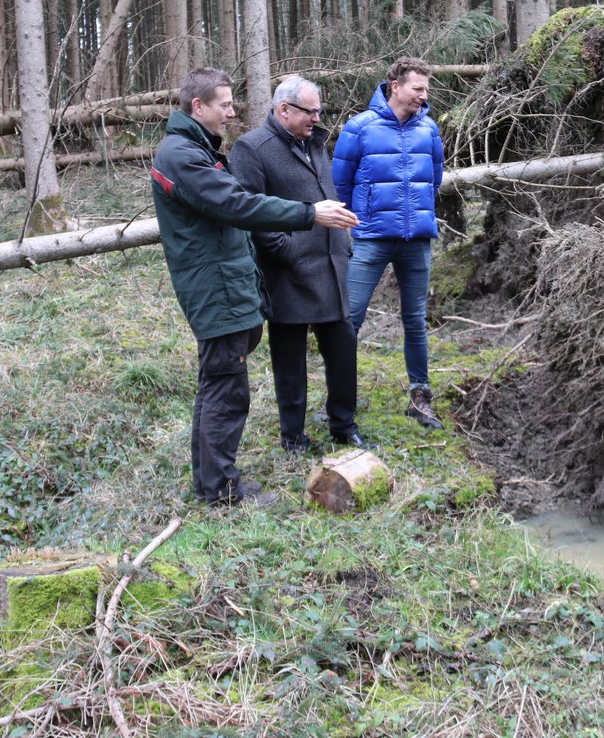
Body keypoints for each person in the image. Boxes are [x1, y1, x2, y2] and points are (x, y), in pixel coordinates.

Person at [150, 68, 358, 507]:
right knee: (226, 392)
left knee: (218, 388)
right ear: (198, 107)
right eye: (224, 104)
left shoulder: (194, 150)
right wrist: (308, 214)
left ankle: (212, 485)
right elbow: (236, 203)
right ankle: (223, 493)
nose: (231, 112)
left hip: (225, 286)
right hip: (216, 289)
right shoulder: (183, 156)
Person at [230, 76, 369, 453]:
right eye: (311, 111)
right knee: (289, 363)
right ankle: (293, 437)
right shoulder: (251, 149)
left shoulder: (317, 144)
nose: (317, 117)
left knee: (343, 349)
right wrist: (289, 251)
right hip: (287, 275)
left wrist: (342, 243)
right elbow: (251, 213)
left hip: (332, 268)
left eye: (320, 110)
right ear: (283, 109)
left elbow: (326, 196)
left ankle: (344, 425)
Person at [331, 57, 445, 431]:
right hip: (371, 239)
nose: (423, 96)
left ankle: (420, 398)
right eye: (418, 89)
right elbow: (340, 185)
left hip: (416, 242)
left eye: (426, 89)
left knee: (415, 321)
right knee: (350, 320)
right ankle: (338, 401)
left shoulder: (428, 129)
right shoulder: (359, 127)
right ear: (395, 86)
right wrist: (356, 221)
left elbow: (435, 180)